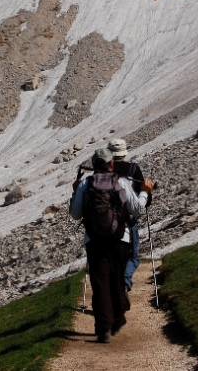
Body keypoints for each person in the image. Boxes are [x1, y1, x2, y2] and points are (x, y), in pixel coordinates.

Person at [70, 148, 150, 342]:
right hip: (119, 239)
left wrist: (75, 192)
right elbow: (136, 209)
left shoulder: (86, 184)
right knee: (116, 279)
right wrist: (145, 193)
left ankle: (103, 328)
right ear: (111, 164)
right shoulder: (120, 183)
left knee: (100, 283)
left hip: (94, 240)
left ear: (94, 165)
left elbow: (75, 214)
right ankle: (118, 319)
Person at [108, 138, 153, 291]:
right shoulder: (133, 169)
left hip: (106, 222)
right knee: (133, 257)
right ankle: (125, 282)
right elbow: (145, 200)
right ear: (124, 153)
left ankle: (112, 284)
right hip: (129, 220)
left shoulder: (103, 172)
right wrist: (147, 192)